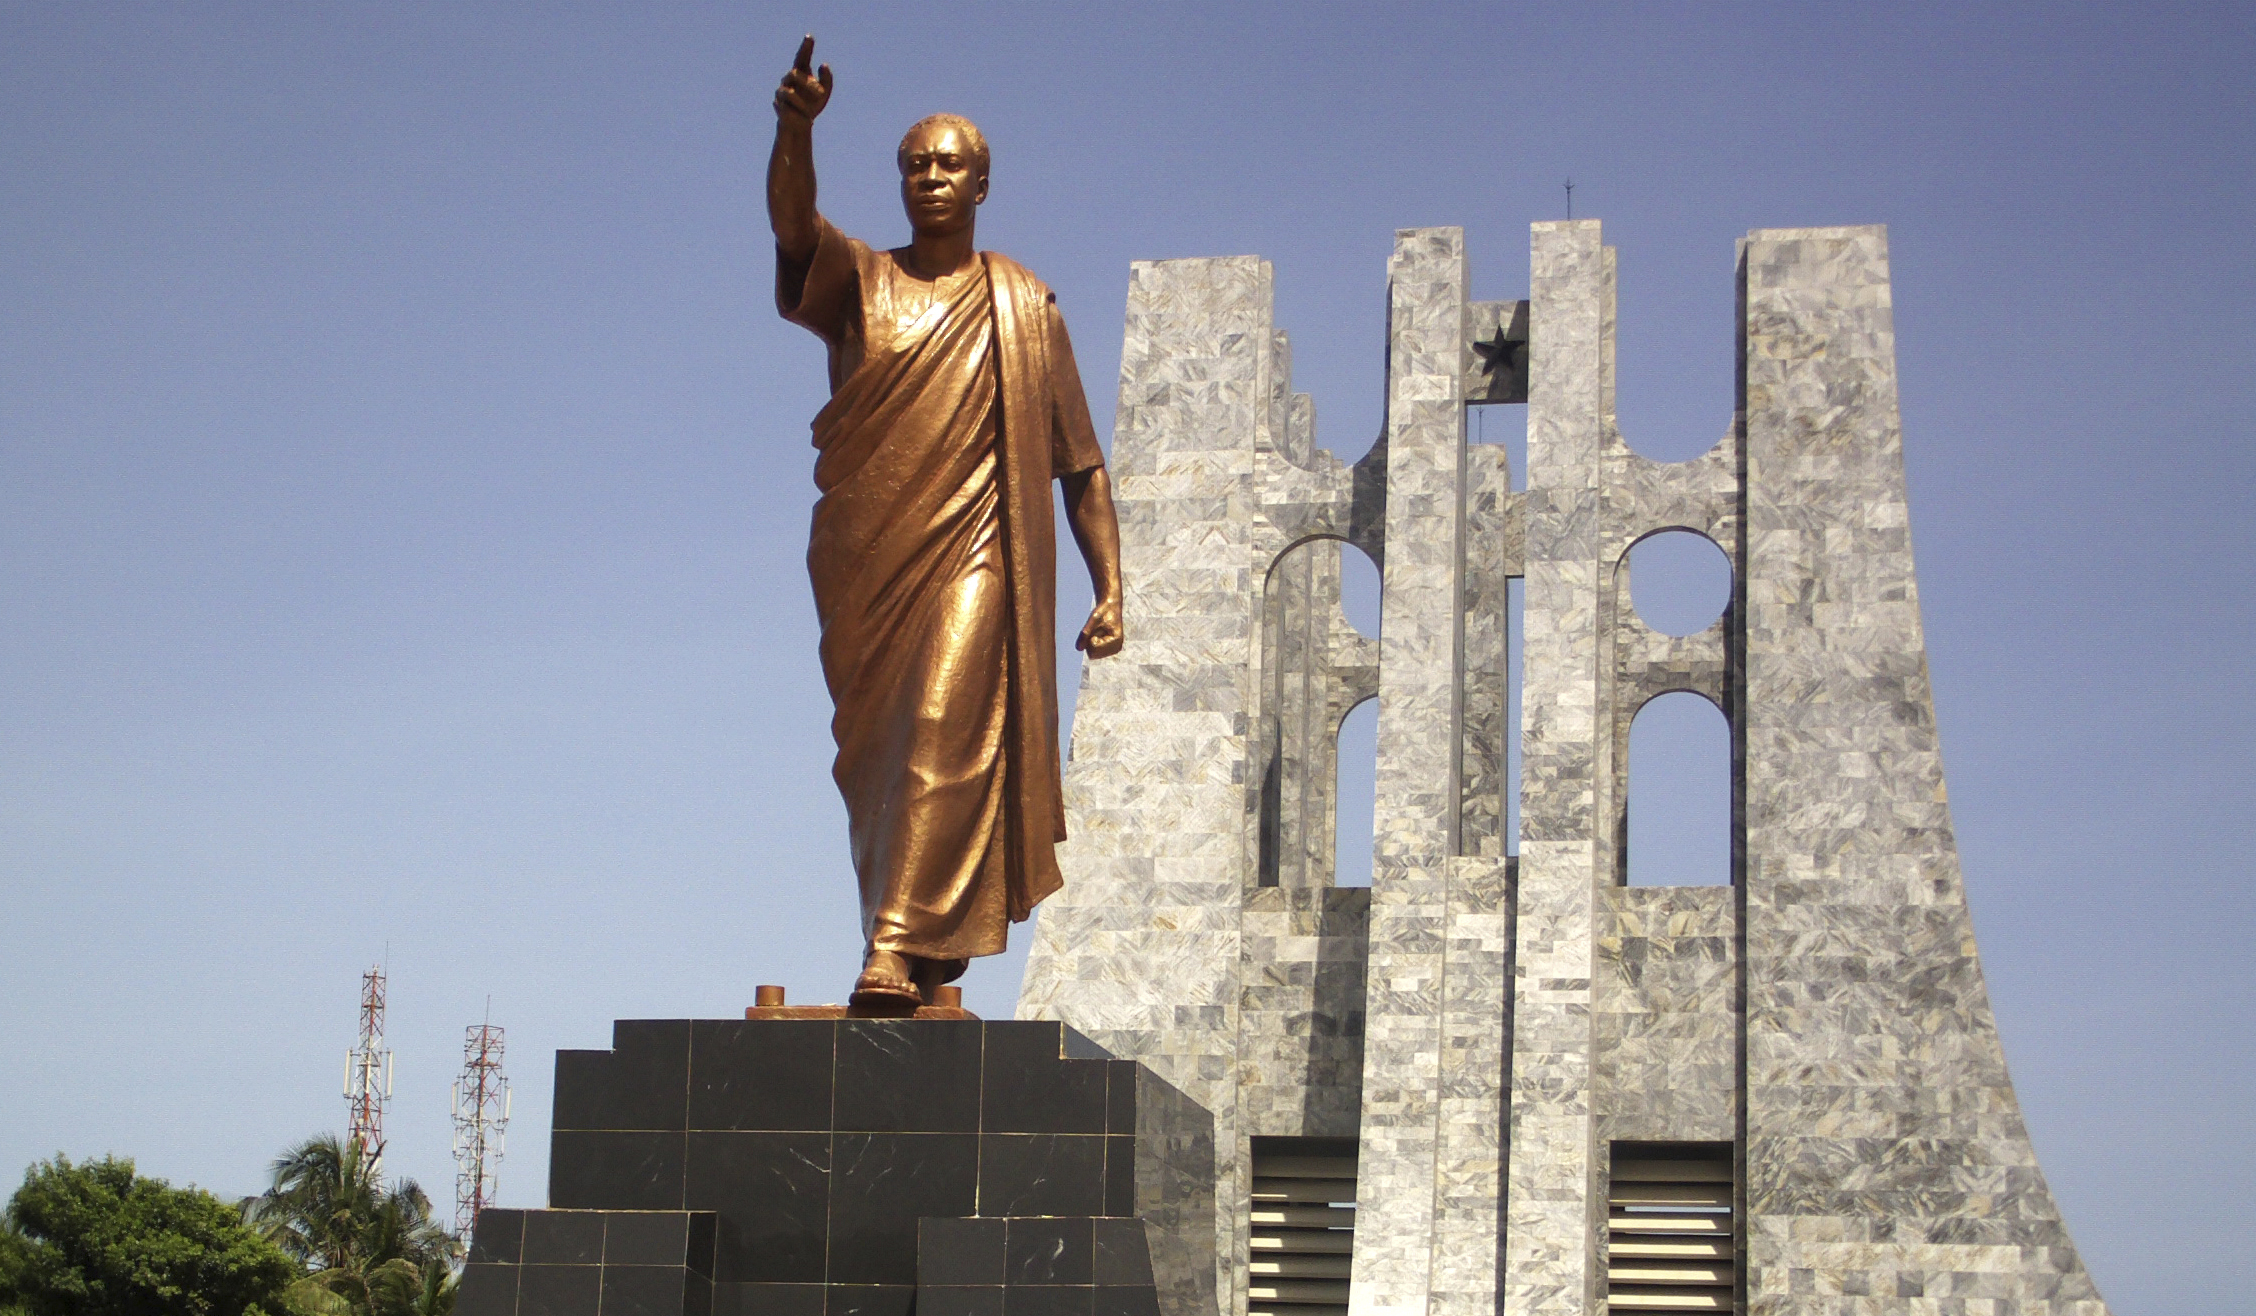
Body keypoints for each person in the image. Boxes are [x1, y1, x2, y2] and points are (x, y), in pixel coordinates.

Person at [767, 37, 1124, 1010]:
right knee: (879, 762)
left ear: (983, 184)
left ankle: (892, 943)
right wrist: (794, 130)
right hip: (867, 565)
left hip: (977, 552)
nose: (930, 178)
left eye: (949, 165)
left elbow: (1079, 462)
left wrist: (1113, 585)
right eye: (915, 164)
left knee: (942, 721)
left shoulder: (1022, 307)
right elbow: (794, 228)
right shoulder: (861, 283)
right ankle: (920, 932)